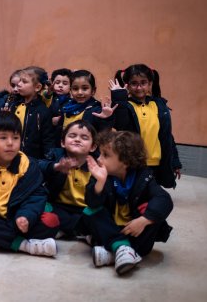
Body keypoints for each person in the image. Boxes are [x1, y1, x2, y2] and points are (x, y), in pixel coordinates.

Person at [0, 112, 60, 257]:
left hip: (18, 218)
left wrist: (25, 216)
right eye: (3, 138)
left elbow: (37, 196)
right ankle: (23, 245)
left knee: (51, 221)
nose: (10, 143)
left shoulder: (28, 165)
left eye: (15, 138)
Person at [84, 130, 174, 275]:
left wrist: (144, 220)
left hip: (135, 231)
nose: (99, 159)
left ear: (125, 161)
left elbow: (164, 199)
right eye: (99, 154)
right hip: (112, 229)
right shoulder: (101, 175)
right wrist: (99, 183)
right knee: (90, 211)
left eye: (105, 155)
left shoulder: (144, 177)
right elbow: (92, 203)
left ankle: (113, 252)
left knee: (153, 212)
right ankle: (122, 249)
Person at [110, 64, 182, 189]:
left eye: (143, 83)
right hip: (133, 163)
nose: (139, 87)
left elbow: (167, 136)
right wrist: (119, 97)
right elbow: (120, 125)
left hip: (156, 164)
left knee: (150, 197)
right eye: (134, 83)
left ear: (150, 84)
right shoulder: (126, 106)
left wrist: (174, 162)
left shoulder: (158, 105)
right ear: (127, 85)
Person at [40, 120, 97, 239]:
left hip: (84, 209)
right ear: (62, 142)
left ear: (93, 147)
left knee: (99, 216)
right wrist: (57, 167)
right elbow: (39, 165)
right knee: (42, 208)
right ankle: (78, 231)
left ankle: (67, 229)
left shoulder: (96, 166)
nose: (77, 139)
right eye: (72, 136)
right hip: (59, 207)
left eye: (84, 137)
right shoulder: (56, 156)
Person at [0, 68, 54, 159]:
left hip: (31, 160)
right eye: (19, 80)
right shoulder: (12, 104)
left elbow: (48, 140)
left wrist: (49, 160)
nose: (19, 84)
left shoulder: (43, 111)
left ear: (37, 87)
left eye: (24, 82)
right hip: (10, 156)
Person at [51, 70, 115, 148]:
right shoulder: (66, 109)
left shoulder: (97, 110)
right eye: (75, 89)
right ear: (70, 90)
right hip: (65, 154)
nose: (80, 92)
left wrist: (106, 119)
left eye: (85, 88)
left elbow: (103, 134)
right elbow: (60, 134)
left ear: (93, 91)